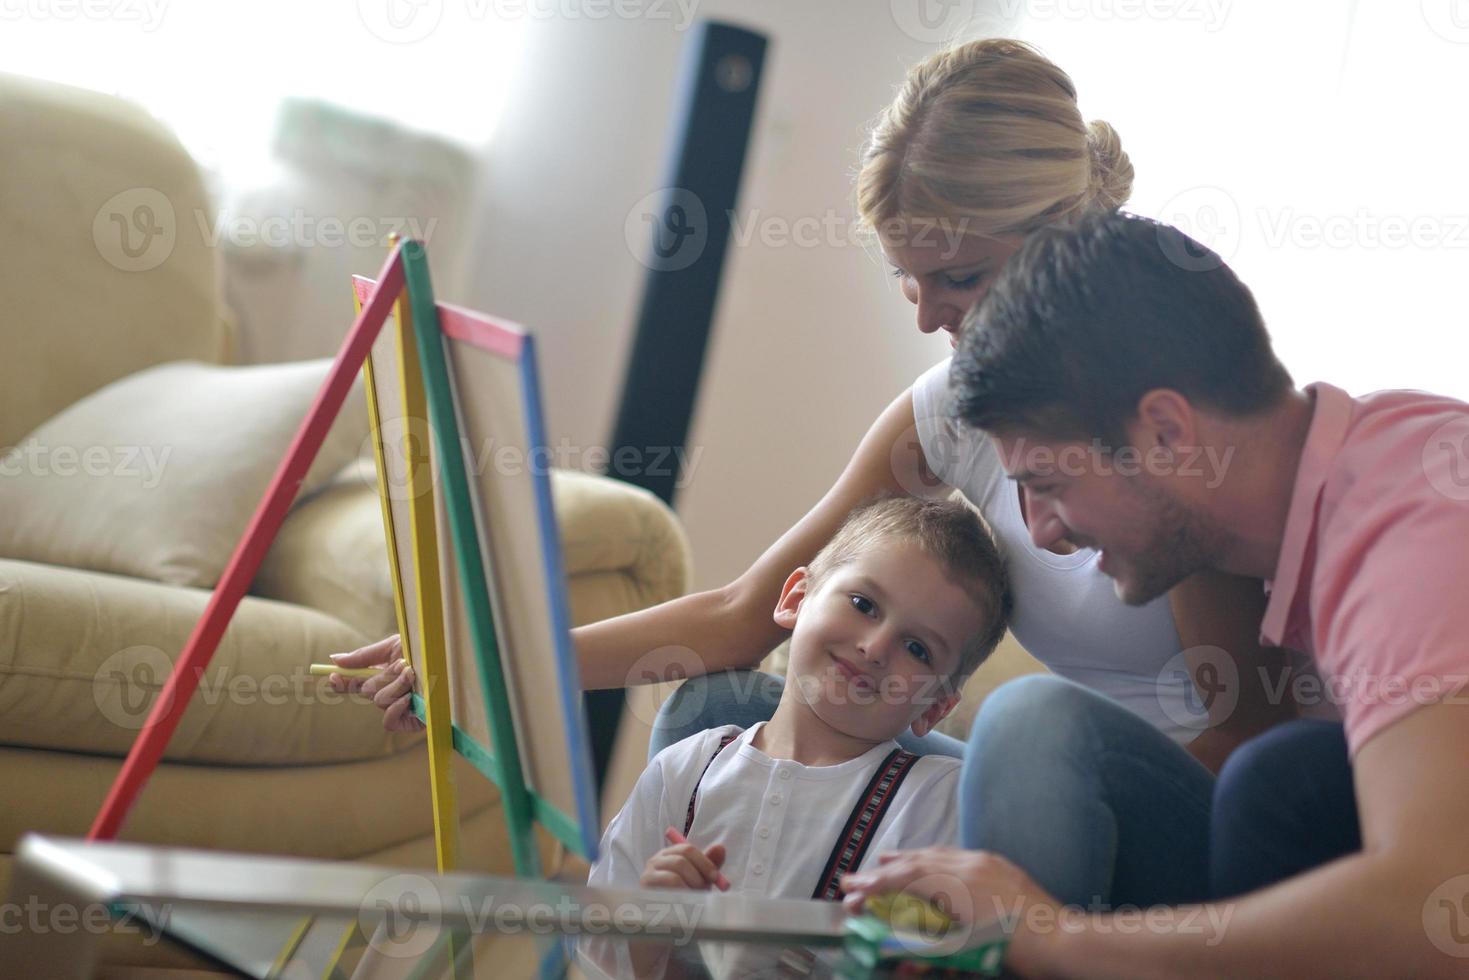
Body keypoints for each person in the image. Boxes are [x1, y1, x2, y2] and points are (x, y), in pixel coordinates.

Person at [331, 39, 1294, 909]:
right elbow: (750, 613)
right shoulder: (948, 410)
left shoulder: (1170, 427)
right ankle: (691, 953)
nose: (929, 318)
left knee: (1031, 721)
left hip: (1180, 825)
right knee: (726, 708)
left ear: (1060, 245)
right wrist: (490, 661)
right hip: (1033, 794)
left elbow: (1246, 743)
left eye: (960, 278)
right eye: (908, 283)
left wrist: (997, 833)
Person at [841, 209, 1469, 977]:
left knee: (1275, 780)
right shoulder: (1355, 478)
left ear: (1165, 431)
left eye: (1048, 483)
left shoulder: (1414, 531)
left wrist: (1050, 936)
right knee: (1274, 782)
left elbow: (1437, 911)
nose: (1042, 533)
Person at [579, 495, 1010, 978]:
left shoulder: (937, 802)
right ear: (794, 599)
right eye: (864, 604)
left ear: (936, 706)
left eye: (917, 648)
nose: (873, 648)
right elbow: (598, 961)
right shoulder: (683, 770)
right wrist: (648, 927)